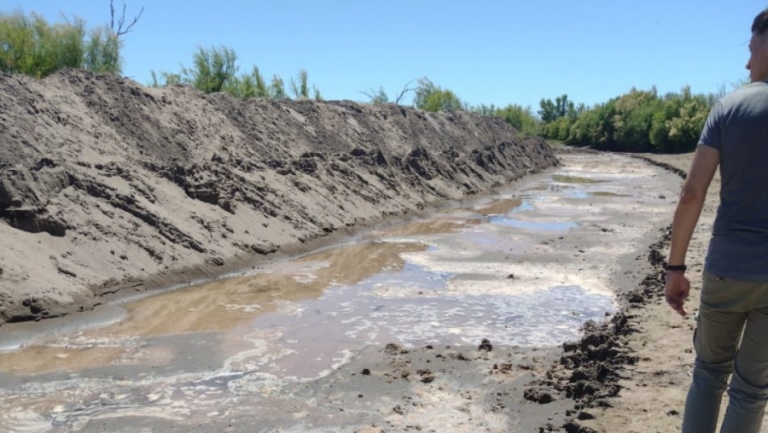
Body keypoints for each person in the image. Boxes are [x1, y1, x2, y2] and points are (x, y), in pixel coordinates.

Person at [664, 7, 768, 433]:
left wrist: (675, 268)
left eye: (750, 48)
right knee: (753, 389)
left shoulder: (730, 107)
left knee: (709, 373)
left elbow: (692, 193)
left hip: (728, 268)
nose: (746, 62)